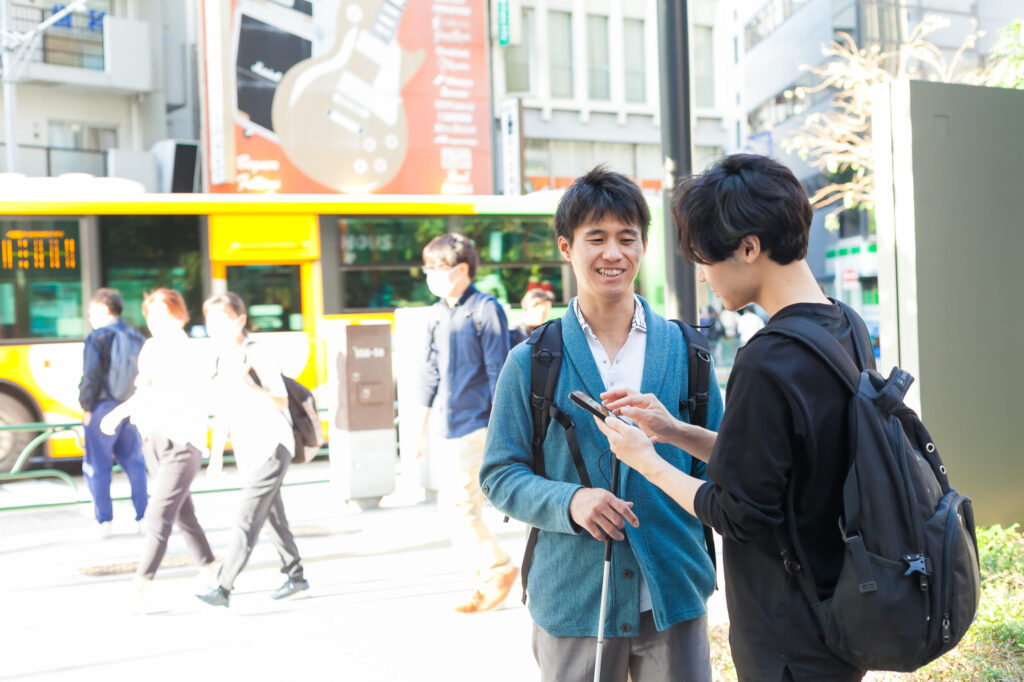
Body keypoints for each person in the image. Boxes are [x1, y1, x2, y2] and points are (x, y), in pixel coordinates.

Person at [595, 153, 869, 681]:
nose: (703, 277)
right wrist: (676, 431)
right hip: (838, 603)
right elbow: (788, 463)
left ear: (748, 248)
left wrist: (647, 461)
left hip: (786, 629)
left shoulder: (768, 358)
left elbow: (739, 512)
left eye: (705, 259)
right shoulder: (844, 325)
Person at [480, 166, 724, 682]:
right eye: (596, 238)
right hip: (574, 600)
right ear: (566, 247)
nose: (613, 253)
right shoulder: (531, 361)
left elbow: (720, 468)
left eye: (626, 238)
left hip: (674, 594)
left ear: (644, 246)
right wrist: (569, 501)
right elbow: (499, 474)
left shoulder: (688, 353)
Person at [416, 233, 517, 613]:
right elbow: (429, 374)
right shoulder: (437, 313)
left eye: (435, 267)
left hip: (477, 424)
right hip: (448, 423)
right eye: (427, 267)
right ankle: (487, 581)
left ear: (460, 270)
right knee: (455, 509)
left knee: (459, 506)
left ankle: (497, 570)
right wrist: (418, 431)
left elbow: (499, 373)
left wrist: (502, 429)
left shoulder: (485, 308)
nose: (429, 274)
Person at [100, 288, 216, 607]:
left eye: (164, 314)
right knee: (183, 513)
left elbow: (153, 393)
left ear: (180, 315)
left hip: (183, 443)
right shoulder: (151, 347)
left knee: (157, 516)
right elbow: (146, 389)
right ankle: (209, 566)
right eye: (152, 314)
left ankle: (140, 586)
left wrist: (116, 414)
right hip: (154, 440)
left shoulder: (187, 350)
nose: (156, 320)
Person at [196, 292, 308, 607]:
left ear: (241, 319)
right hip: (249, 450)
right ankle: (296, 575)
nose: (215, 326)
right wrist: (216, 456)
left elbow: (280, 401)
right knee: (272, 516)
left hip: (272, 445)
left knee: (247, 518)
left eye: (223, 318)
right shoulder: (222, 358)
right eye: (210, 319)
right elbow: (223, 411)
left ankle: (223, 587)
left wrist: (250, 387)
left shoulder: (257, 354)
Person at [78, 288, 148, 538]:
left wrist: (86, 407)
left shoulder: (97, 337)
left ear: (104, 309)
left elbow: (91, 376)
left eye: (91, 311)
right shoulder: (136, 336)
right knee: (135, 463)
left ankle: (104, 521)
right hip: (131, 405)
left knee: (98, 465)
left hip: (103, 407)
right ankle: (143, 517)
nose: (89, 316)